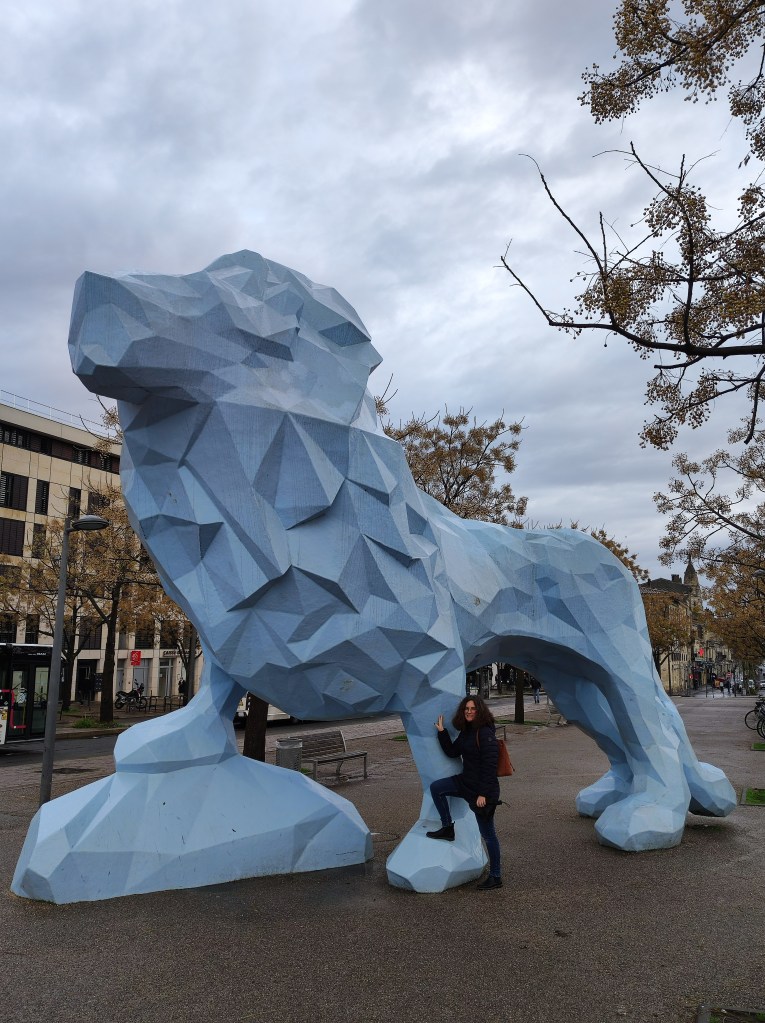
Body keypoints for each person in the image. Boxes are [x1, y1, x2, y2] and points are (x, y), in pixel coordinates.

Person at [426, 695, 503, 891]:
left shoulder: (485, 732)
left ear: (480, 711)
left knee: (488, 835)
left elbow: (490, 765)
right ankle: (447, 827)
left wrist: (483, 794)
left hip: (483, 791)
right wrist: (442, 732)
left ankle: (496, 876)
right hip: (465, 783)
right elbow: (453, 752)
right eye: (466, 708)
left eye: (473, 708)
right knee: (437, 788)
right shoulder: (467, 731)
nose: (469, 711)